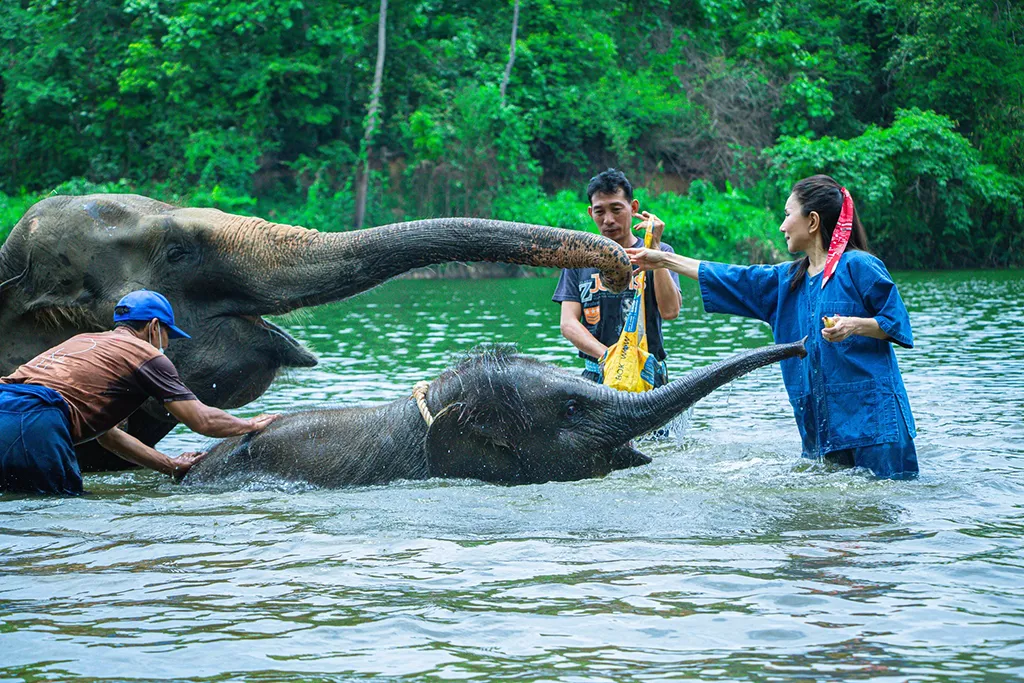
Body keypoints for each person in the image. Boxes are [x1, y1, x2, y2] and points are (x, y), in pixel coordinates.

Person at [627, 174, 918, 479]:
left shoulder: (858, 266)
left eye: (787, 214)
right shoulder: (785, 282)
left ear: (813, 221)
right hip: (820, 432)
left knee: (882, 518)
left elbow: (895, 323)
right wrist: (662, 260)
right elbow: (731, 276)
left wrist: (855, 325)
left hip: (876, 426)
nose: (782, 226)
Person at [0, 289, 278, 495]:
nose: (167, 344)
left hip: (9, 405)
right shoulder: (144, 353)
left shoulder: (82, 341)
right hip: (38, 421)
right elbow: (200, 420)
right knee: (60, 514)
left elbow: (108, 437)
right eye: (169, 335)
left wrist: (170, 465)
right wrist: (251, 424)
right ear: (154, 327)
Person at [553, 168, 682, 385]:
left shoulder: (661, 252)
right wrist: (610, 358)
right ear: (590, 213)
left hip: (648, 376)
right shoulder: (578, 258)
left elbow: (670, 312)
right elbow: (568, 324)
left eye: (616, 209)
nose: (608, 220)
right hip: (597, 374)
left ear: (633, 208)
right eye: (600, 212)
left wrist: (656, 250)